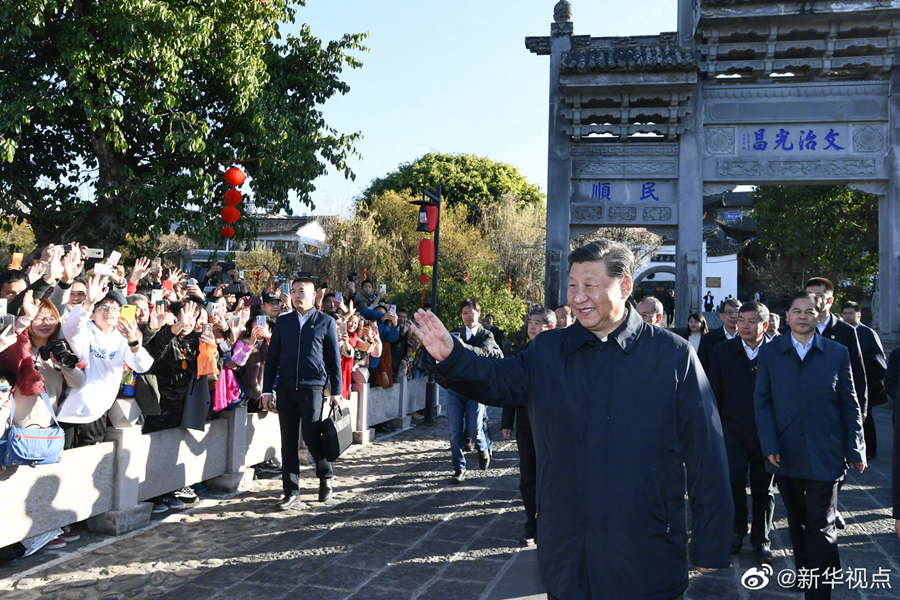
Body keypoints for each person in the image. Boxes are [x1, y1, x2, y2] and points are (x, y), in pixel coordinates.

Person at [412, 240, 732, 599]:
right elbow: (497, 379)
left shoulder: (672, 355)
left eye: (591, 285)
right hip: (567, 550)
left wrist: (711, 539)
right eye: (572, 286)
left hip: (645, 549)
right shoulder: (549, 350)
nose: (579, 297)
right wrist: (451, 355)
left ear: (624, 286)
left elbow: (706, 451)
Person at [754, 291, 865, 600]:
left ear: (820, 316)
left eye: (809, 311)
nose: (802, 316)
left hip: (826, 451)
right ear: (787, 317)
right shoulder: (771, 353)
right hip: (785, 452)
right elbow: (762, 403)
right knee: (797, 522)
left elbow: (850, 404)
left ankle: (820, 591)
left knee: (821, 524)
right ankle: (808, 574)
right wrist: (769, 444)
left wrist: (856, 449)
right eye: (796, 311)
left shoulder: (836, 352)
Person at [262, 277, 342, 509]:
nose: (297, 295)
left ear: (314, 294)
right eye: (294, 291)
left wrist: (336, 390)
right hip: (285, 389)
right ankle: (291, 491)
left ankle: (325, 476)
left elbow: (334, 360)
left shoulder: (325, 322)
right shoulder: (283, 322)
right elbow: (272, 359)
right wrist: (267, 390)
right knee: (287, 442)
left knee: (311, 435)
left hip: (313, 388)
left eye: (302, 291)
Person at [708, 302, 775, 565]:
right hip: (732, 429)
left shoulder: (777, 352)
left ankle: (762, 540)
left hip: (766, 433)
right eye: (742, 320)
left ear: (765, 325)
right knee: (734, 482)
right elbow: (714, 391)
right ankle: (737, 531)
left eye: (751, 321)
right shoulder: (723, 351)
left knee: (764, 489)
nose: (744, 326)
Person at [58, 275, 153, 449]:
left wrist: (133, 341)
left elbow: (142, 365)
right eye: (104, 308)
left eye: (115, 308)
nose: (110, 312)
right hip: (68, 412)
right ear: (93, 314)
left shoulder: (124, 337)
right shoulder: (85, 331)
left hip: (97, 413)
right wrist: (87, 303)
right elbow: (71, 328)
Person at [501, 307, 555, 548]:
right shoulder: (520, 354)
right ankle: (531, 527)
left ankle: (553, 525)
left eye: (538, 323)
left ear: (550, 328)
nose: (532, 326)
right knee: (528, 478)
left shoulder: (562, 354)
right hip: (526, 427)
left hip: (556, 429)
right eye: (530, 322)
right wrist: (506, 421)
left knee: (553, 478)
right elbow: (511, 390)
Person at [444, 298, 503, 483]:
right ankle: (458, 468)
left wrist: (464, 347)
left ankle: (484, 448)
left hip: (476, 388)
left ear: (479, 313)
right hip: (455, 387)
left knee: (475, 429)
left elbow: (484, 352)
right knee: (454, 431)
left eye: (471, 312)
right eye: (464, 313)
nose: (468, 316)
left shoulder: (487, 335)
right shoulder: (455, 333)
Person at [841, 301, 886, 460]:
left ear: (858, 315)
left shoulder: (867, 333)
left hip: (864, 381)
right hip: (844, 380)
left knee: (866, 416)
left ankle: (870, 448)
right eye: (845, 313)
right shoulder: (840, 332)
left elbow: (879, 359)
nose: (847, 316)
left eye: (851, 313)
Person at [698, 298, 741, 373]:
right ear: (721, 316)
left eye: (737, 312)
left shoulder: (748, 338)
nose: (733, 316)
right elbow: (703, 366)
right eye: (729, 312)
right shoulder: (709, 338)